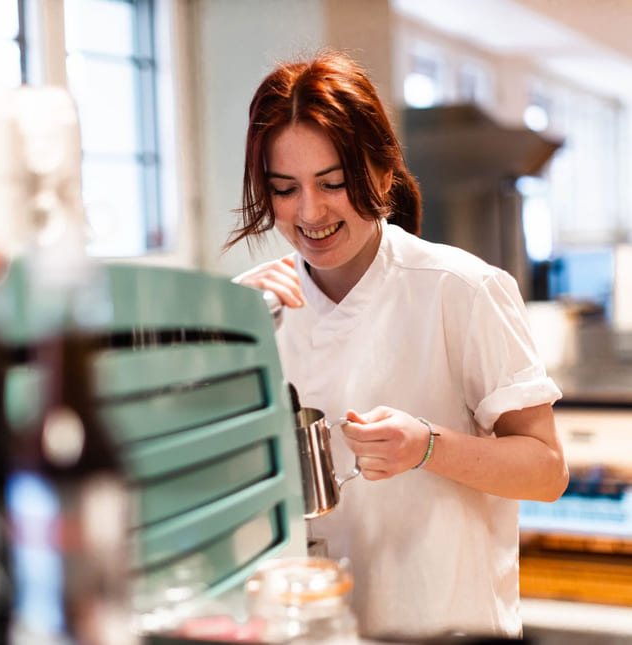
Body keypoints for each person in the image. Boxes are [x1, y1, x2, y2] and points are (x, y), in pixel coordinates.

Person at [226, 49, 568, 640]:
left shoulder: (461, 289)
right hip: (310, 626)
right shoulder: (252, 309)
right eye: (285, 189)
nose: (310, 212)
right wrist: (225, 338)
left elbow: (546, 471)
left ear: (381, 174)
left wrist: (428, 447)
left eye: (333, 183)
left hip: (447, 623)